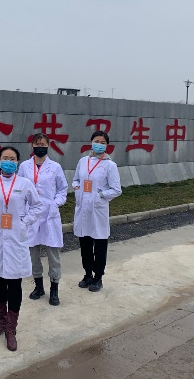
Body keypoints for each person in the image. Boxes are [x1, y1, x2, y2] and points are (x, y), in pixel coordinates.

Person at [0, 146, 43, 351]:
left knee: (14, 283)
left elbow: (37, 206)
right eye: (5, 158)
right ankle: (1, 321)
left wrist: (25, 222)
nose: (9, 162)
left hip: (16, 238)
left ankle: (11, 328)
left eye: (12, 159)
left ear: (18, 162)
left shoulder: (24, 184)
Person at [17, 133, 68, 306]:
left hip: (49, 216)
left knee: (53, 255)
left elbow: (62, 189)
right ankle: (38, 286)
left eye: (43, 144)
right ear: (32, 146)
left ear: (48, 146)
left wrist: (55, 203)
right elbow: (19, 188)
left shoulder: (55, 167)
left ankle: (54, 288)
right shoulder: (24, 166)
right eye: (37, 144)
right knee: (33, 255)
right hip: (31, 215)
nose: (40, 147)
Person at [72, 131, 122, 292]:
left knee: (100, 244)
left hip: (98, 210)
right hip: (83, 208)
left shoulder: (110, 165)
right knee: (85, 243)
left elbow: (116, 189)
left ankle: (98, 277)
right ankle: (87, 274)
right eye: (96, 141)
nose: (98, 144)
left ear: (107, 146)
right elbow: (75, 179)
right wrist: (77, 188)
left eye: (102, 142)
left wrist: (100, 195)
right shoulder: (83, 161)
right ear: (91, 142)